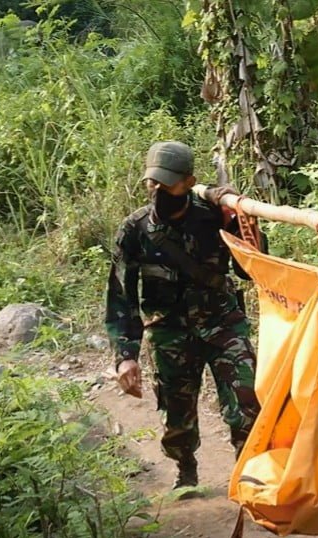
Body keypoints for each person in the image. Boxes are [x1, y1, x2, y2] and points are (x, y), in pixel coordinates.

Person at [105, 140, 261, 496]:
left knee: (246, 396)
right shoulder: (135, 231)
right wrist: (125, 355)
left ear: (189, 182)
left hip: (222, 322)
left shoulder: (212, 215)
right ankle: (185, 469)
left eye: (167, 182)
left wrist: (238, 222)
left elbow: (250, 269)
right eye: (152, 181)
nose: (157, 189)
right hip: (169, 332)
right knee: (177, 415)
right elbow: (121, 296)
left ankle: (249, 472)